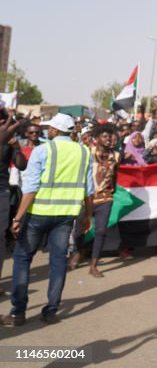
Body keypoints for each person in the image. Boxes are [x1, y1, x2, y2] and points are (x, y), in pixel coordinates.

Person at [3, 113, 93, 326]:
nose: (46, 131)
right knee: (58, 261)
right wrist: (87, 215)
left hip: (39, 213)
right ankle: (51, 311)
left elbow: (31, 188)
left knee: (23, 259)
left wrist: (17, 217)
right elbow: (89, 188)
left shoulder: (43, 150)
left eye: (49, 128)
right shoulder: (83, 151)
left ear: (55, 130)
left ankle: (18, 313)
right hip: (66, 214)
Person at [73, 124, 120, 278]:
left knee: (100, 231)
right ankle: (78, 252)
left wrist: (111, 188)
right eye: (105, 136)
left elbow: (115, 174)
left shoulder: (116, 155)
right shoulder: (88, 152)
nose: (108, 139)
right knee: (79, 230)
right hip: (87, 197)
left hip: (105, 198)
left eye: (110, 136)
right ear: (97, 138)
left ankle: (94, 265)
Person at [0, 113, 29, 295]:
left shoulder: (11, 142)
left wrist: (17, 148)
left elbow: (22, 166)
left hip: (2, 191)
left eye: (5, 123)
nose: (5, 127)